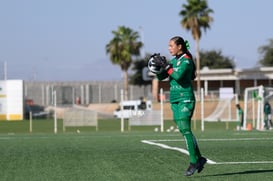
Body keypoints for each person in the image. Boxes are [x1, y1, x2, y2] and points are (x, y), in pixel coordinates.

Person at [148, 36, 207, 176]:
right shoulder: (174, 61)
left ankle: (194, 161)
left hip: (185, 98)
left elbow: (179, 76)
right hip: (174, 99)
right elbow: (163, 77)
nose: (169, 48)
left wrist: (166, 66)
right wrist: (157, 68)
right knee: (183, 130)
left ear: (179, 46)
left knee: (186, 130)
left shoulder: (186, 60)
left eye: (171, 45)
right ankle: (200, 159)